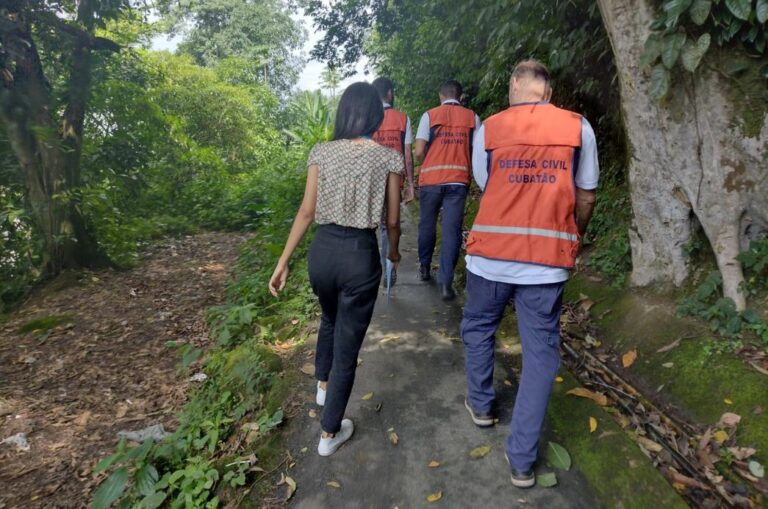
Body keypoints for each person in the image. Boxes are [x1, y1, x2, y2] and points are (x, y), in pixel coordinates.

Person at [460, 60, 598, 488]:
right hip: (545, 264)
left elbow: (487, 186)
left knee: (479, 327)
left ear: (516, 85)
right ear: (548, 90)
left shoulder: (491, 129)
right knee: (541, 356)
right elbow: (587, 194)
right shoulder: (578, 127)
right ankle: (521, 461)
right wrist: (571, 236)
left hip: (491, 258)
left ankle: (482, 406)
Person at [269, 82, 404, 457]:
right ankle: (329, 433)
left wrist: (283, 263)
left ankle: (322, 384)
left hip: (322, 254)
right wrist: (393, 253)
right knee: (348, 343)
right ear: (376, 116)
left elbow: (306, 211)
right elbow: (392, 221)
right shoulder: (389, 158)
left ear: (343, 113)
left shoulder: (321, 152)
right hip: (360, 255)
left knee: (330, 317)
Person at [414, 80, 481, 301]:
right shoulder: (472, 118)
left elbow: (419, 150)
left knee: (427, 223)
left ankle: (424, 268)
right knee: (452, 230)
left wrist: (429, 161)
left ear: (441, 96)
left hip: (431, 180)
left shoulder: (430, 116)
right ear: (460, 97)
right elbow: (478, 153)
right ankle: (446, 284)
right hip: (457, 181)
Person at [371, 77, 415, 288]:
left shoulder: (368, 118)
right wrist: (411, 185)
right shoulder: (403, 119)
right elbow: (407, 154)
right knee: (391, 225)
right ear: (389, 93)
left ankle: (380, 269)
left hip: (372, 181)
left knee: (376, 226)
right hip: (394, 183)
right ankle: (389, 267)